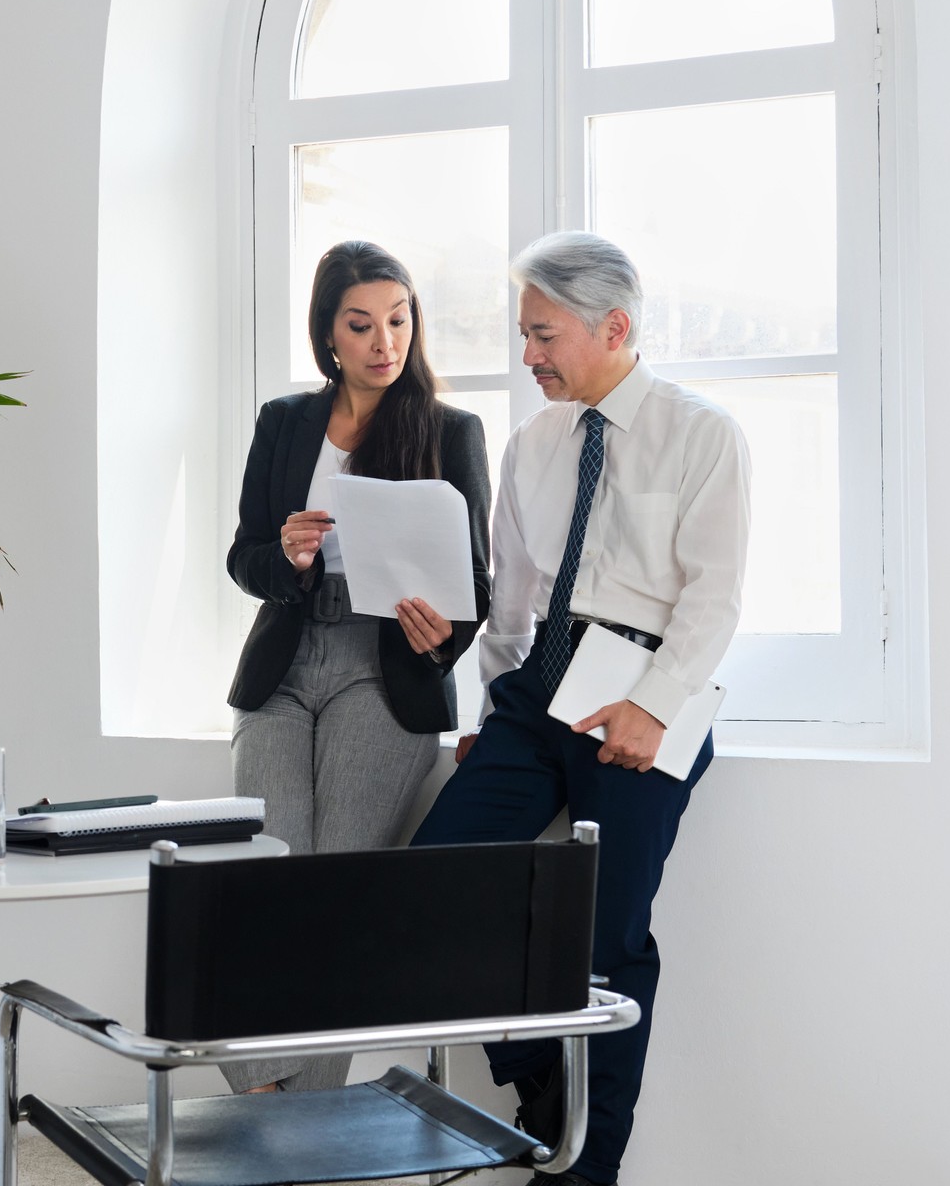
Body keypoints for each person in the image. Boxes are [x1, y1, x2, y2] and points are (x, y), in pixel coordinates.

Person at [411, 232, 751, 1186]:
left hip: (641, 694)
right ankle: (549, 1104)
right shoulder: (533, 444)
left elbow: (713, 597)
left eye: (543, 334)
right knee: (435, 892)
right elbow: (513, 596)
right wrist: (493, 710)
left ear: (615, 325)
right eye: (523, 335)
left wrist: (653, 705)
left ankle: (585, 1171)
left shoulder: (703, 435)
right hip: (534, 698)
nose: (529, 356)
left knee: (606, 941)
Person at [225, 239, 492, 1093]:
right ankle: (268, 1101)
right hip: (287, 659)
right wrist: (289, 555)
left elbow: (474, 585)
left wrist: (438, 635)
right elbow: (243, 558)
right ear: (328, 334)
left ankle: (291, 1120)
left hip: (386, 670)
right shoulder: (284, 422)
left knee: (335, 889)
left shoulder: (451, 431)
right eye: (362, 324)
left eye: (400, 320)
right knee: (266, 881)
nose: (386, 342)